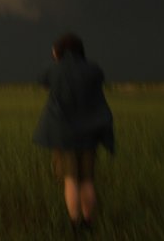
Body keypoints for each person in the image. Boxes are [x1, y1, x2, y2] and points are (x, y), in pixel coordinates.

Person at [34, 33, 114, 233]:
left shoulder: (54, 69)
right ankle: (89, 224)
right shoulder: (94, 70)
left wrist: (56, 59)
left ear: (60, 51)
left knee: (71, 181)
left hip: (64, 136)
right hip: (90, 134)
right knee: (87, 181)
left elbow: (42, 81)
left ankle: (75, 226)